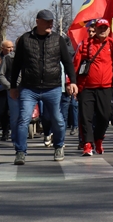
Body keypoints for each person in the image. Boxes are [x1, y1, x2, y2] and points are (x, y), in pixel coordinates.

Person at [10, 10, 77, 165]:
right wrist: (13, 86)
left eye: (51, 21)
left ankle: (59, 146)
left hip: (52, 87)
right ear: (38, 21)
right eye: (46, 21)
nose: (50, 24)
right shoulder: (25, 39)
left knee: (57, 119)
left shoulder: (58, 39)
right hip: (29, 88)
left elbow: (67, 62)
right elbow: (17, 64)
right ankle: (20, 152)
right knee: (23, 119)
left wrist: (72, 81)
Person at [73, 19, 113, 156]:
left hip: (106, 87)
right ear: (95, 29)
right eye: (100, 27)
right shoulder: (85, 44)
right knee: (86, 117)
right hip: (86, 87)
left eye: (105, 28)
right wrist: (71, 82)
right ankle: (87, 144)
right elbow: (75, 64)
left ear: (109, 30)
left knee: (105, 116)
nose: (102, 30)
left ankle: (98, 139)